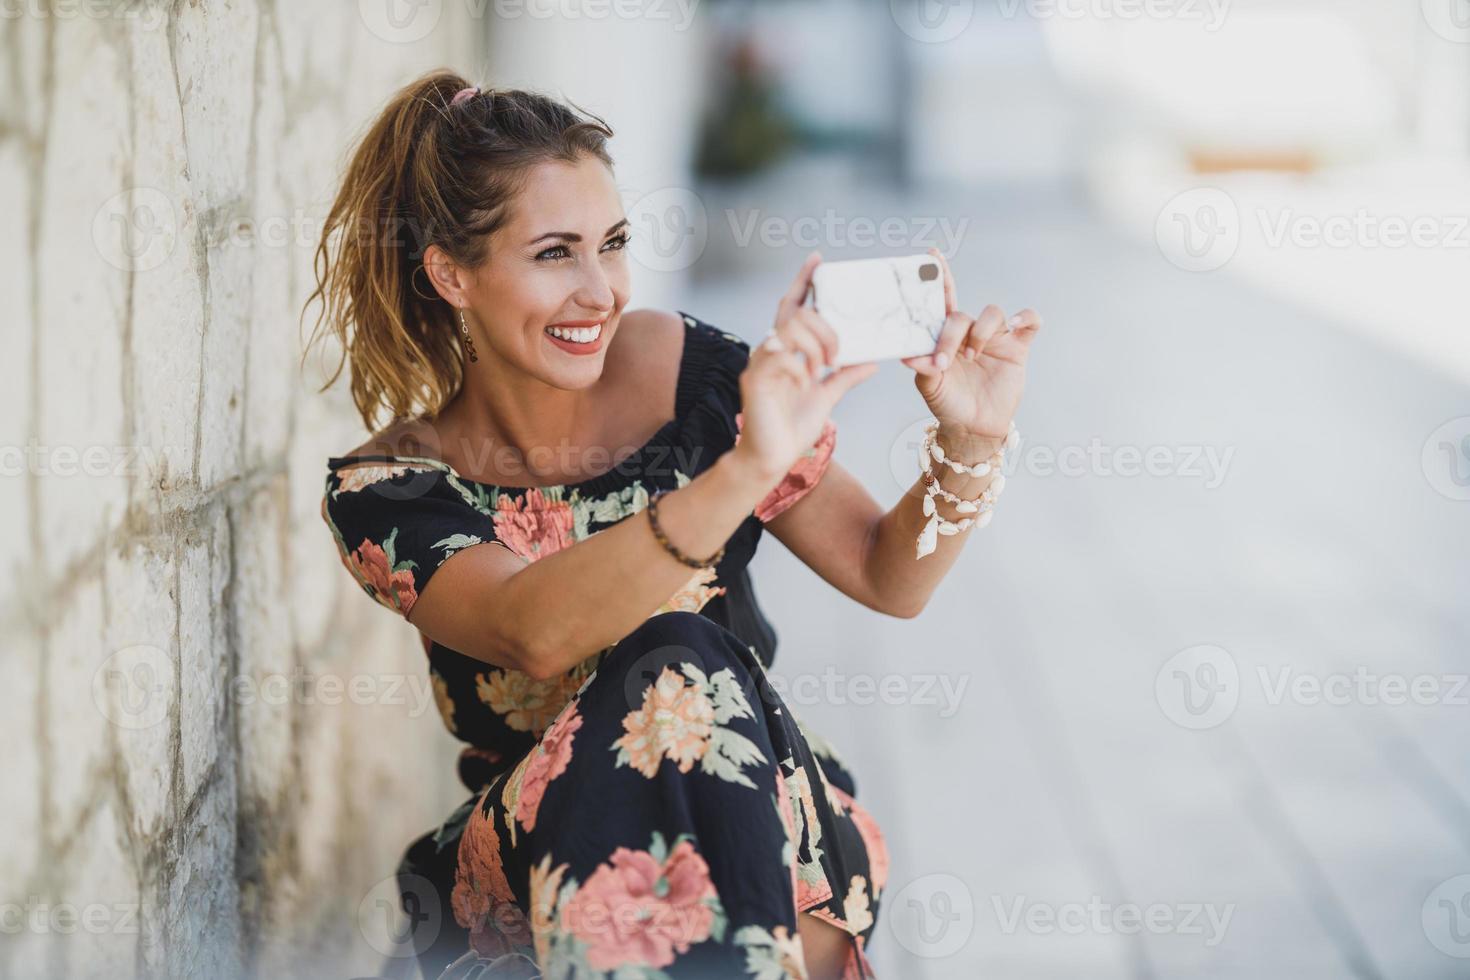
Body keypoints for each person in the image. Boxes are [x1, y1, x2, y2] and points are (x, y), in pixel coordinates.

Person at [304, 69, 1040, 980]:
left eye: (611, 244)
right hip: (536, 863)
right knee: (671, 659)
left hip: (755, 815)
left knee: (686, 668)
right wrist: (745, 473)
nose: (600, 291)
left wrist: (971, 438)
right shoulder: (388, 492)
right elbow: (533, 631)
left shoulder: (684, 371)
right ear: (452, 273)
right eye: (553, 254)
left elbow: (887, 576)